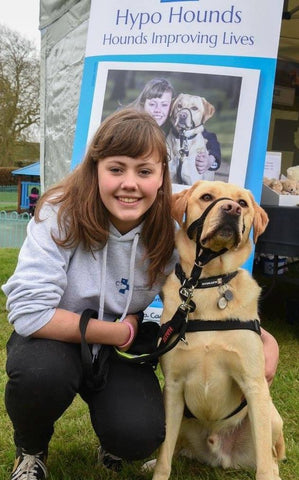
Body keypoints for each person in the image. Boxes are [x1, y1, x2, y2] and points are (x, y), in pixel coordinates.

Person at [2, 108, 279, 479]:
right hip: (55, 340)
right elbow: (28, 312)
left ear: (162, 176)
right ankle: (32, 451)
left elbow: (206, 296)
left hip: (118, 355)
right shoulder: (58, 213)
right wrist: (120, 332)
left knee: (141, 434)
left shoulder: (170, 234)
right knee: (39, 374)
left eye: (144, 171)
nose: (129, 183)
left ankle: (113, 440)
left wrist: (265, 340)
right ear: (95, 168)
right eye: (116, 169)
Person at [127, 77, 221, 183]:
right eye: (152, 104)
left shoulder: (171, 123)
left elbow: (210, 137)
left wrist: (211, 159)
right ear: (143, 103)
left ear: (170, 107)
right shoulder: (130, 126)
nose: (158, 110)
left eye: (164, 105)